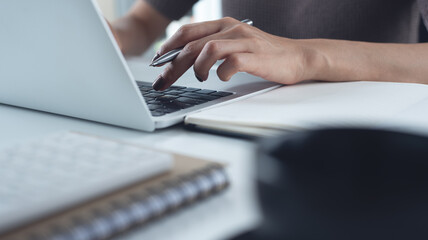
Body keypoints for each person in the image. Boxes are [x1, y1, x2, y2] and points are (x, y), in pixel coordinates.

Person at [108, 0, 428, 91]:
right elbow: (141, 23)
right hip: (236, 109)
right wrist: (107, 35)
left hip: (367, 136)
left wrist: (304, 57)